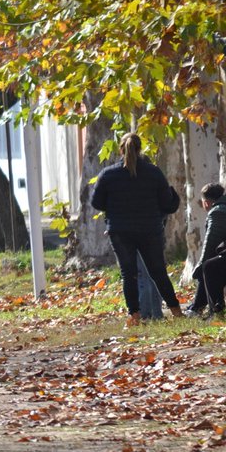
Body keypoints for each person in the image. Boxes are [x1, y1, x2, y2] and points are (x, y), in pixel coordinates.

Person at [90, 132, 184, 326]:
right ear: (140, 149)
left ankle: (134, 316)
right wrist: (172, 196)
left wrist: (114, 205)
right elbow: (167, 204)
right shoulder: (153, 172)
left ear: (120, 149)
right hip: (149, 229)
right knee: (158, 272)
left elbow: (96, 202)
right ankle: (176, 312)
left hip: (120, 230)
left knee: (129, 274)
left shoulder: (108, 175)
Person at [189, 182, 226, 316]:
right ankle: (196, 307)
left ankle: (215, 310)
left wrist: (199, 265)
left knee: (209, 267)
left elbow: (211, 242)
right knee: (211, 265)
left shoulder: (217, 213)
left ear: (206, 202)